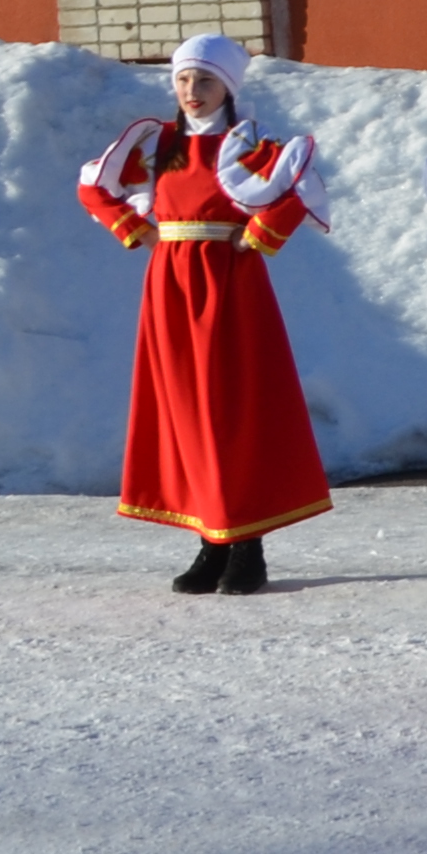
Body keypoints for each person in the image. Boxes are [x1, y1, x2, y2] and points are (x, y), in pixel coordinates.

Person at [75, 33, 330, 595]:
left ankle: (248, 545)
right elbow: (93, 186)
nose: (193, 91)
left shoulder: (249, 146)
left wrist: (260, 232)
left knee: (230, 411)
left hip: (230, 287)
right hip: (169, 286)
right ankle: (211, 541)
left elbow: (300, 188)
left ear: (229, 88)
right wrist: (133, 226)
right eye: (185, 80)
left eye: (206, 81)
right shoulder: (157, 144)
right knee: (185, 412)